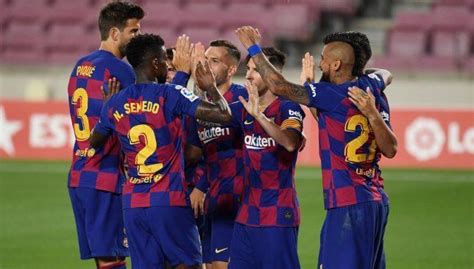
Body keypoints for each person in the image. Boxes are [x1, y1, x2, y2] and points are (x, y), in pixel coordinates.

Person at [235, 26, 397, 269]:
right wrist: (371, 111)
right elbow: (386, 76)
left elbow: (279, 86)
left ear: (337, 65)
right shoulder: (372, 88)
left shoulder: (331, 93)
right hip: (376, 201)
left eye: (324, 59)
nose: (320, 64)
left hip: (347, 204)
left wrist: (253, 47)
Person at [88, 33, 233, 269]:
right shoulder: (169, 94)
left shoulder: (115, 103)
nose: (167, 66)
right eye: (164, 61)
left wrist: (108, 108)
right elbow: (224, 115)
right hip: (169, 201)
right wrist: (211, 88)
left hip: (133, 205)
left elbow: (94, 141)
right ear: (155, 63)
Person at [66, 2, 144, 268]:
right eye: (133, 31)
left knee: (104, 259)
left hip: (79, 173)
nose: (137, 37)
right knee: (113, 258)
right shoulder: (121, 71)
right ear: (114, 33)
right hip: (105, 175)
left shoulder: (80, 66)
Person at [228, 47, 305, 269]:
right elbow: (213, 115)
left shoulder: (288, 107)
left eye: (256, 70)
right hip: (246, 214)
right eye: (248, 69)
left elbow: (290, 142)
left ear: (272, 75)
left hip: (277, 214)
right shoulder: (243, 108)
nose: (249, 75)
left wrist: (259, 116)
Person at [186, 40, 247, 269]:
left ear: (231, 69)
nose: (208, 66)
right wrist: (201, 186)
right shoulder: (200, 105)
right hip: (212, 199)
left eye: (215, 61)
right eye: (205, 60)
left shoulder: (243, 98)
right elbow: (196, 152)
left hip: (237, 197)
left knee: (222, 265)